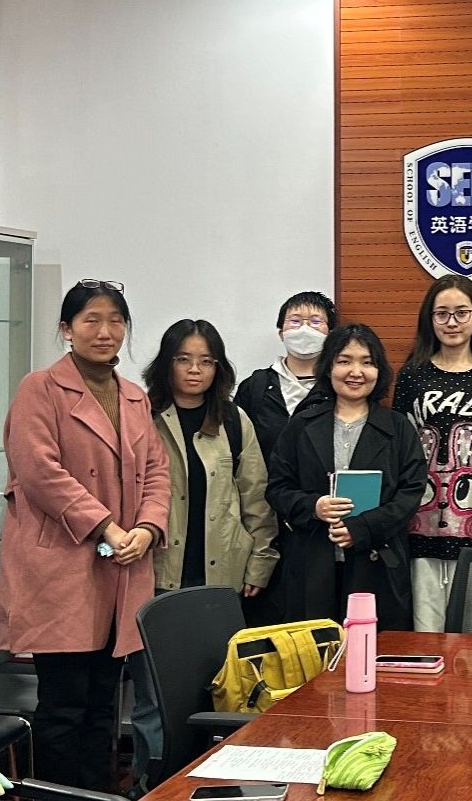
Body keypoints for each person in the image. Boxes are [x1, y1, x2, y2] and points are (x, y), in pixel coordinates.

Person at [0, 279, 169, 791]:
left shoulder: (134, 397)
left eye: (115, 320)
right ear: (66, 329)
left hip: (121, 566)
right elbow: (39, 472)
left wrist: (147, 527)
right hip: (63, 568)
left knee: (103, 707)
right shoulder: (39, 389)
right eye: (91, 320)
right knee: (64, 707)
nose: (105, 331)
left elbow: (157, 472)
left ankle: (96, 794)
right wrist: (107, 526)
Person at [129, 319, 279, 791]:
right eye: (183, 359)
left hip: (220, 580)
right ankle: (152, 783)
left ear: (218, 368)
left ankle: (212, 785)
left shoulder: (233, 421)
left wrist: (262, 561)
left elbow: (256, 498)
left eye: (206, 361)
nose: (195, 370)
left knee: (221, 691)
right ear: (166, 364)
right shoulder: (142, 414)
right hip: (156, 575)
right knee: (153, 696)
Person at [266, 323, 426, 630]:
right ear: (328, 367)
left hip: (377, 560)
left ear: (379, 370)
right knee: (317, 649)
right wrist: (313, 506)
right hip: (312, 559)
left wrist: (362, 528)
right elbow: (277, 487)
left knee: (371, 648)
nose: (356, 372)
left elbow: (411, 493)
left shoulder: (398, 427)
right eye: (344, 361)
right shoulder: (302, 424)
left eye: (367, 362)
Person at [393, 274, 472, 631]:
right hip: (421, 519)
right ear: (429, 319)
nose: (452, 322)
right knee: (424, 632)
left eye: (461, 312)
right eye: (441, 314)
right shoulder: (411, 375)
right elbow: (398, 452)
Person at [235, 290, 337, 464]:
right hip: (265, 480)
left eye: (315, 321)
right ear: (281, 333)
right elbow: (237, 444)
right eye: (295, 321)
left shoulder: (338, 386)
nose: (305, 329)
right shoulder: (255, 386)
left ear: (330, 334)